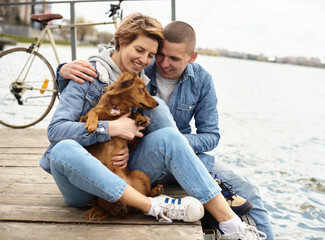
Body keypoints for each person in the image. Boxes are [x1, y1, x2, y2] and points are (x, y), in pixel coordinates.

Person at [53, 15, 268, 240]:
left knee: (170, 134)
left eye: (150, 55)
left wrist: (135, 141)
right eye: (144, 52)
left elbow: (208, 135)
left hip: (135, 165)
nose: (151, 61)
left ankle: (232, 225)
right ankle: (153, 206)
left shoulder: (146, 77)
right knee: (63, 150)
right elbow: (56, 131)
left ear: (191, 57)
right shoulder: (88, 73)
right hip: (83, 185)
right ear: (122, 41)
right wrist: (111, 128)